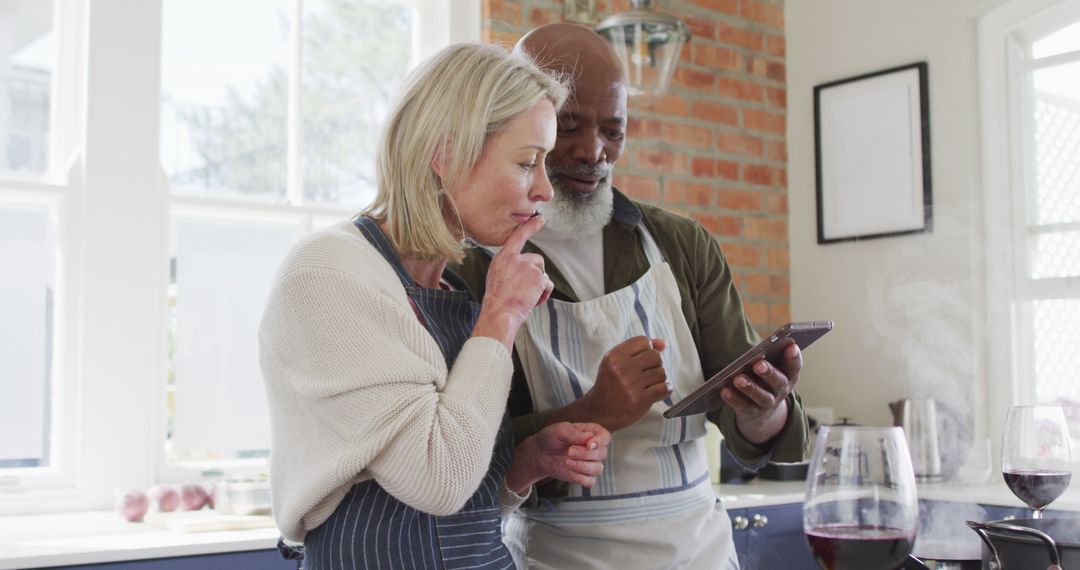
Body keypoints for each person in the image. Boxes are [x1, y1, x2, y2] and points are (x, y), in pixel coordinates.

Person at [454, 24, 809, 569]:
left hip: (700, 552)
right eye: (568, 126)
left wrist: (766, 409)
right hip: (561, 556)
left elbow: (746, 425)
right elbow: (463, 457)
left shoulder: (681, 246)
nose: (593, 152)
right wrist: (593, 411)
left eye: (613, 131)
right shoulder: (472, 268)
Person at [258, 42, 611, 570]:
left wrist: (526, 465)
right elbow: (438, 480)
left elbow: (461, 501)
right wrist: (502, 316)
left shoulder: (453, 293)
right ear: (444, 156)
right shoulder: (328, 274)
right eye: (526, 162)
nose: (544, 189)